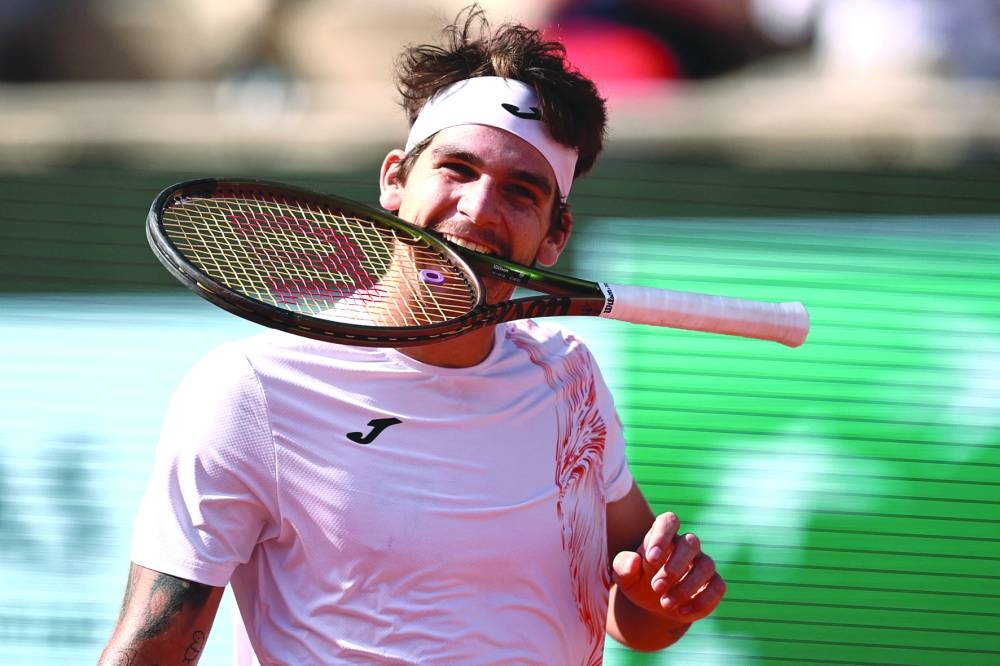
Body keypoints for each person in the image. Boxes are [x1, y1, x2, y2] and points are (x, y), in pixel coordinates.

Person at [99, 6, 725, 665]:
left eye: (520, 192)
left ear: (554, 237)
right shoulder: (250, 391)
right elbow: (154, 645)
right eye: (458, 169)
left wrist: (660, 602)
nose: (478, 209)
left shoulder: (569, 379)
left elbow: (630, 608)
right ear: (395, 180)